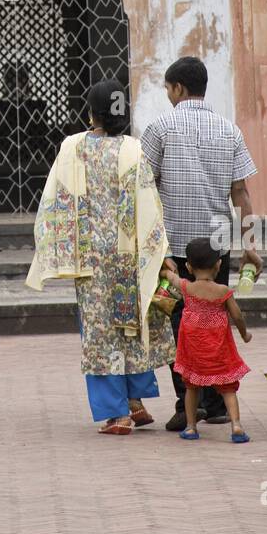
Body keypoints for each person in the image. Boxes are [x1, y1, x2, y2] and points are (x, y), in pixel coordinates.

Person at [26, 80, 175, 436]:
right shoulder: (133, 149)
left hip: (90, 258)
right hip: (128, 255)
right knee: (131, 324)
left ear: (91, 111)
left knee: (99, 333)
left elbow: (55, 199)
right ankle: (136, 402)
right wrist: (162, 254)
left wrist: (55, 250)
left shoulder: (72, 147)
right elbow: (149, 206)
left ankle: (116, 413)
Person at [140, 56, 260, 432]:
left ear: (177, 88)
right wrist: (251, 245)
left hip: (174, 250)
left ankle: (187, 401)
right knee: (215, 321)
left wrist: (149, 245)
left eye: (167, 88)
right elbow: (240, 191)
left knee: (179, 323)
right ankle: (216, 401)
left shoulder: (159, 127)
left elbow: (143, 186)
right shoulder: (229, 130)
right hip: (216, 248)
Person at [162, 238, 252, 443]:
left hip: (193, 351)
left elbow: (170, 277)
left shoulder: (187, 288)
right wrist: (244, 334)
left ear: (188, 266)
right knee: (228, 388)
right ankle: (236, 425)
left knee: (192, 388)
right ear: (218, 265)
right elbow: (237, 316)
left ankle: (192, 427)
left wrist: (165, 270)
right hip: (219, 351)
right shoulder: (223, 292)